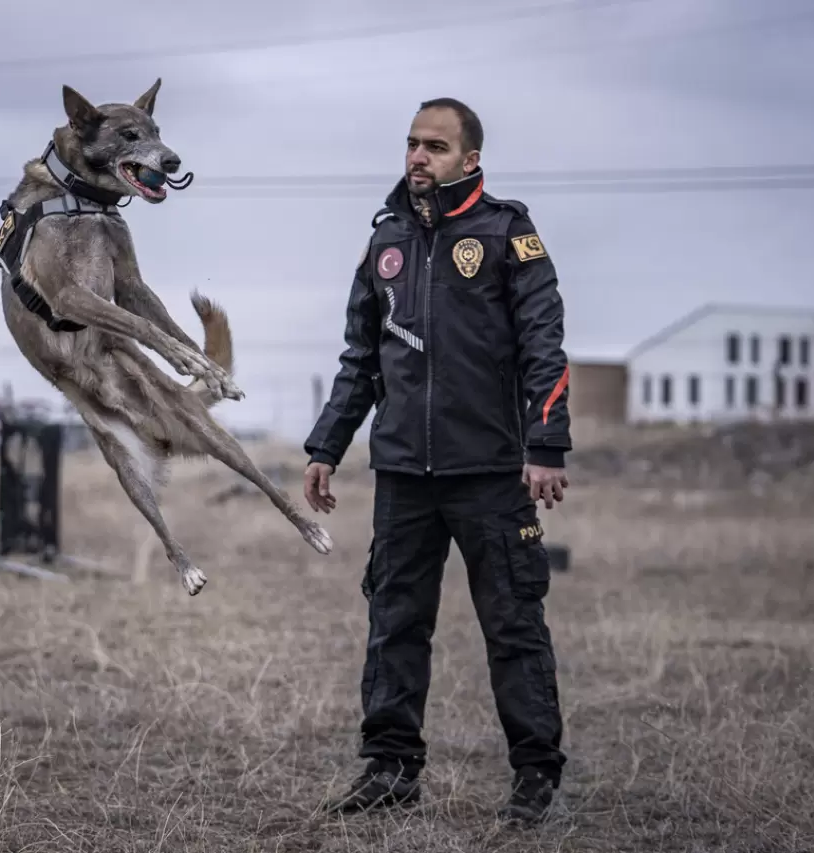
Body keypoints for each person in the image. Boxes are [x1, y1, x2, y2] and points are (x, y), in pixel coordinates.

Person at [302, 96, 572, 823]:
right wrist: (327, 444)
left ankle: (536, 779)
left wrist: (545, 445)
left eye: (437, 146)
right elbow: (361, 357)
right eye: (413, 144)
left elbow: (546, 347)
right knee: (393, 625)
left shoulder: (508, 232)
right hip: (402, 478)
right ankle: (390, 771)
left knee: (514, 627)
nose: (419, 156)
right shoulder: (384, 241)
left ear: (470, 159)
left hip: (488, 474)